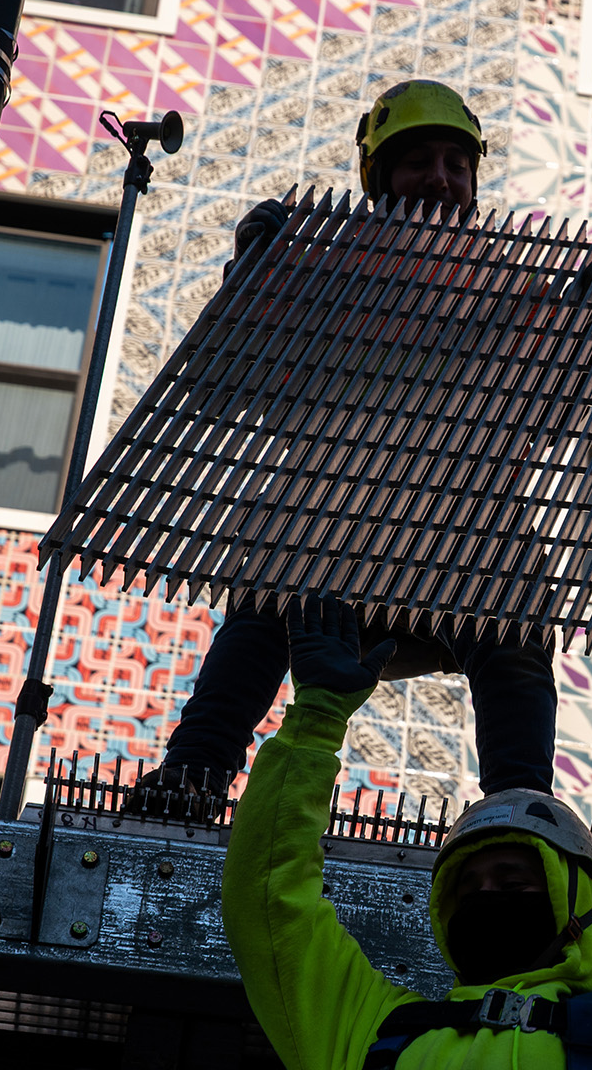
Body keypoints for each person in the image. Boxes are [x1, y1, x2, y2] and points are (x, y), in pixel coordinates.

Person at [132, 80, 520, 804]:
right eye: (418, 162)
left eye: (454, 162)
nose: (440, 176)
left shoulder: (512, 286)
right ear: (379, 181)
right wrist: (252, 275)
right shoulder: (320, 273)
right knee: (263, 604)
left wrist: (586, 314)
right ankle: (196, 775)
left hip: (459, 538)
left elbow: (545, 420)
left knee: (520, 631)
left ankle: (522, 809)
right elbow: (219, 387)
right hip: (331, 525)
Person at [221, 590, 592, 1070]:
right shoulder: (373, 1034)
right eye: (467, 887)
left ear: (581, 903)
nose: (486, 895)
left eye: (516, 880)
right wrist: (315, 720)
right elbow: (268, 902)